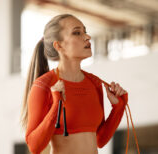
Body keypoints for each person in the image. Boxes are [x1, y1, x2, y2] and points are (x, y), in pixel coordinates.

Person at [20, 14, 129, 154]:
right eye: (77, 33)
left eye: (85, 31)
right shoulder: (43, 86)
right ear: (58, 45)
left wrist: (118, 107)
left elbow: (100, 140)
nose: (87, 37)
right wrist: (56, 106)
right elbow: (34, 147)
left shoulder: (94, 83)